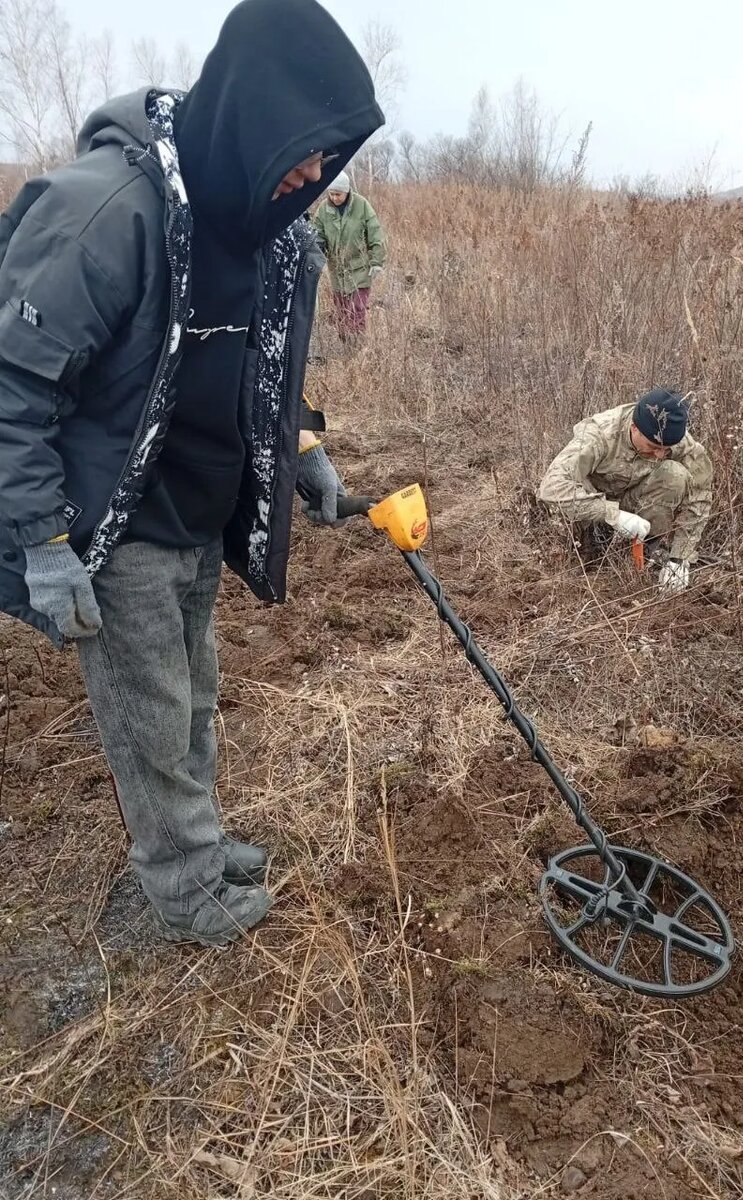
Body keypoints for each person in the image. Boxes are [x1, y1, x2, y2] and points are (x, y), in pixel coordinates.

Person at [0, 0, 384, 947]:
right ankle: (179, 882)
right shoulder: (104, 212)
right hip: (114, 521)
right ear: (244, 119)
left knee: (194, 691)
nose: (311, 177)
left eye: (328, 163)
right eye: (300, 152)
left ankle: (198, 839)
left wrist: (302, 450)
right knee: (150, 715)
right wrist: (41, 541)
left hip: (201, 516)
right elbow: (11, 385)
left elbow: (264, 374)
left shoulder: (276, 233)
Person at [538, 389, 713, 592]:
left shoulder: (676, 440)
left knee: (675, 475)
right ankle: (587, 549)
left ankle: (645, 552)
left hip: (634, 502)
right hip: (590, 508)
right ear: (634, 428)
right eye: (653, 446)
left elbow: (700, 495)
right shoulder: (600, 434)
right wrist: (612, 515)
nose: (660, 454)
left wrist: (680, 558)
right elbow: (551, 486)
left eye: (666, 450)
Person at [313, 170, 386, 338]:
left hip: (360, 267)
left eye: (338, 194)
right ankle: (345, 341)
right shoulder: (323, 210)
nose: (334, 198)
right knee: (342, 309)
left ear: (346, 192)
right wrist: (316, 256)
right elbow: (318, 235)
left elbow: (375, 234)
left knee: (358, 308)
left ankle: (357, 342)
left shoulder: (362, 206)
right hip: (337, 269)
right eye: (331, 194)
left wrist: (376, 262)